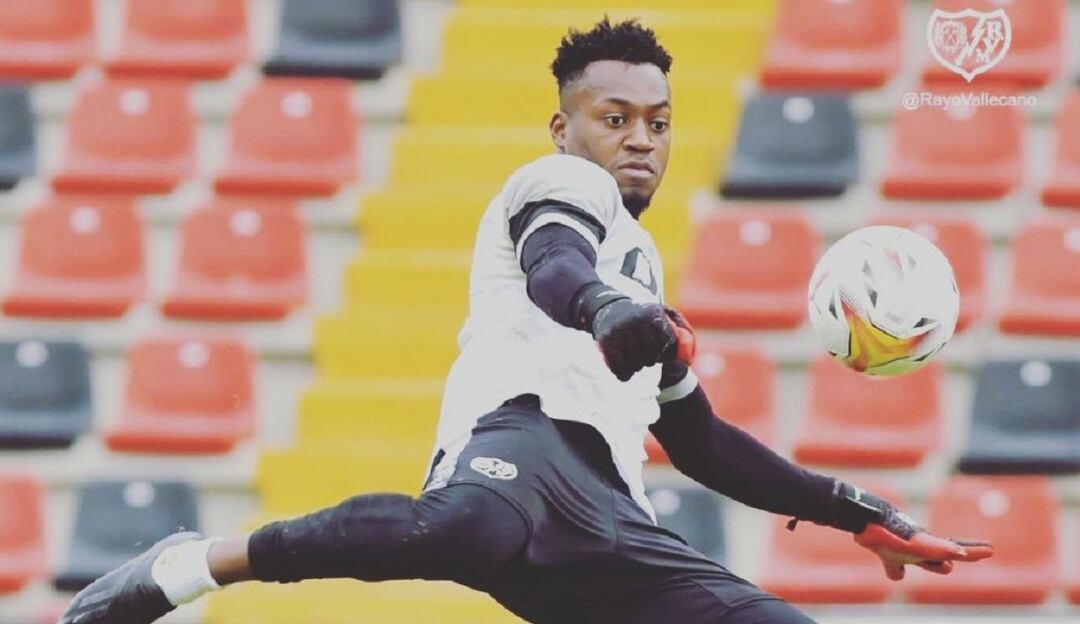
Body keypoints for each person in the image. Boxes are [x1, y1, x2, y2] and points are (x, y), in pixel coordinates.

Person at [60, 18, 992, 624]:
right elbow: (557, 266)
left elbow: (699, 440)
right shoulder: (556, 184)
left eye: (657, 123)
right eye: (613, 116)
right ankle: (200, 562)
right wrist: (607, 308)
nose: (638, 138)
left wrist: (854, 511)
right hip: (519, 449)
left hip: (615, 521)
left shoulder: (648, 272)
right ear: (563, 128)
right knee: (466, 530)